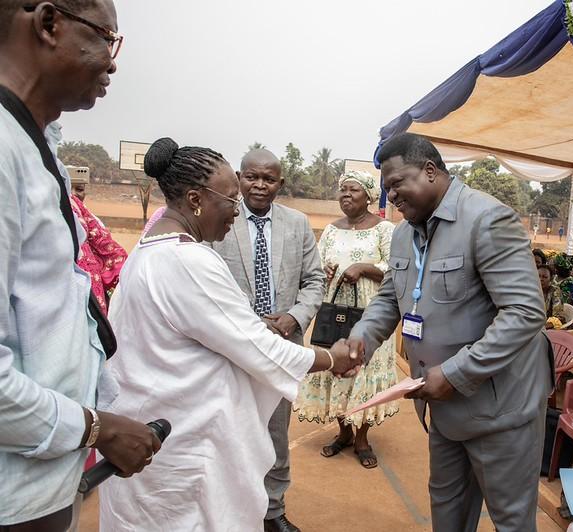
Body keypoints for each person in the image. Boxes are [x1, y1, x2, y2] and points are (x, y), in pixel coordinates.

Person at [98, 138, 360, 531]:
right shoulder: (187, 260)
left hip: (160, 429)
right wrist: (331, 358)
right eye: (231, 198)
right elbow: (257, 346)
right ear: (195, 199)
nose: (236, 210)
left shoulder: (149, 250)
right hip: (185, 446)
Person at [0, 3, 161, 530]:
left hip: (40, 482)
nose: (112, 64)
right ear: (49, 24)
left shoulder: (32, 144)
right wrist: (95, 428)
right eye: (106, 38)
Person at [345, 133, 554, 532]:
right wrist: (362, 339)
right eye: (385, 189)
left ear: (430, 170)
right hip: (440, 403)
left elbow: (525, 313)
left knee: (510, 520)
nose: (390, 197)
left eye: (397, 183)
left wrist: (456, 373)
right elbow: (391, 296)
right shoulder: (405, 233)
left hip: (500, 407)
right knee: (448, 509)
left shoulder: (487, 218)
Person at [208, 148, 326, 532]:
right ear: (240, 178)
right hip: (230, 349)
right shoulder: (218, 220)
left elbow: (314, 280)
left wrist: (294, 316)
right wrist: (245, 324)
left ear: (281, 183)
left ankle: (272, 513)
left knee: (275, 434)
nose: (259, 185)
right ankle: (231, 512)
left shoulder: (297, 223)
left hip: (283, 349)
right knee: (228, 431)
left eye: (269, 179)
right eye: (252, 177)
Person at [294, 171, 399, 470]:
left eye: (353, 190)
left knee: (362, 371)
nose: (346, 196)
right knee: (335, 369)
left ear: (368, 196)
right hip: (335, 311)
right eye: (342, 191)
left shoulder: (384, 229)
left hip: (371, 313)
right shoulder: (330, 230)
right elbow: (315, 263)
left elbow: (395, 268)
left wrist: (364, 267)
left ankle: (362, 438)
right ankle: (344, 432)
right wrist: (324, 271)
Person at [69, 179, 127, 316]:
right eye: (70, 188)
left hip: (90, 293)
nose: (74, 194)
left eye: (79, 189)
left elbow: (109, 250)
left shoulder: (91, 219)